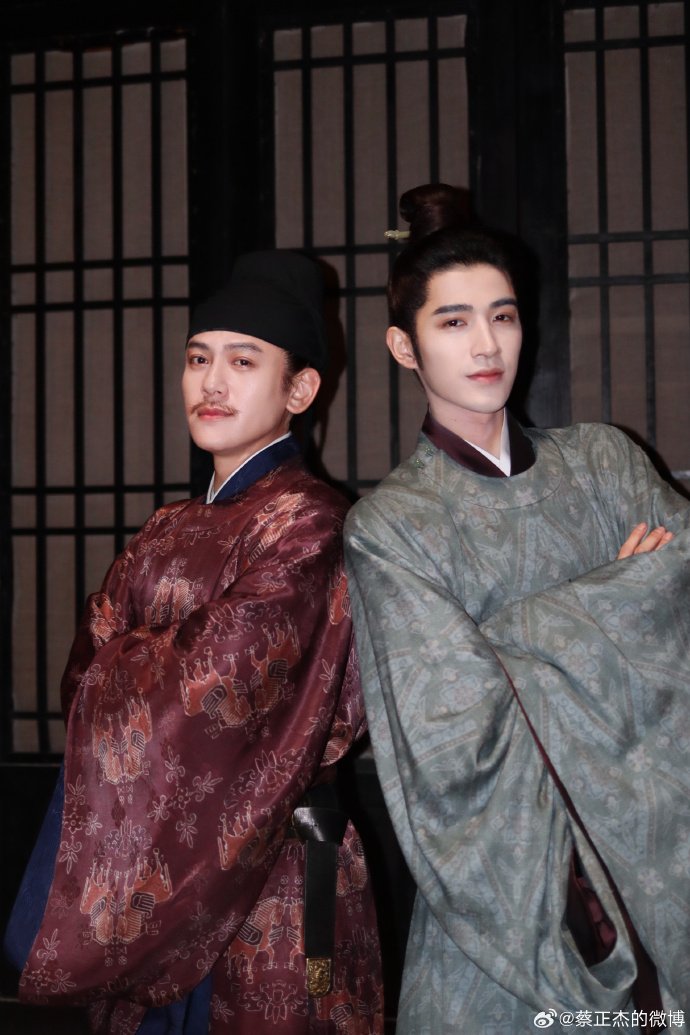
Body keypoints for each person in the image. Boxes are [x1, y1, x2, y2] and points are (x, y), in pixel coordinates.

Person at [343, 184, 690, 1034]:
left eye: (502, 316)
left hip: (657, 857)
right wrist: (618, 601)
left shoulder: (604, 461)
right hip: (511, 888)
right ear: (404, 344)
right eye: (453, 321)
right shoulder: (389, 526)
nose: (486, 344)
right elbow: (449, 731)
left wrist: (504, 648)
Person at [16, 250, 383, 1034]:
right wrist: (151, 656)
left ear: (300, 390)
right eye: (197, 359)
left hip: (272, 874)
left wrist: (135, 651)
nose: (212, 382)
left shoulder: (312, 523)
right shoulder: (165, 527)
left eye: (242, 362)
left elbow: (216, 686)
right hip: (152, 870)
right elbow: (81, 676)